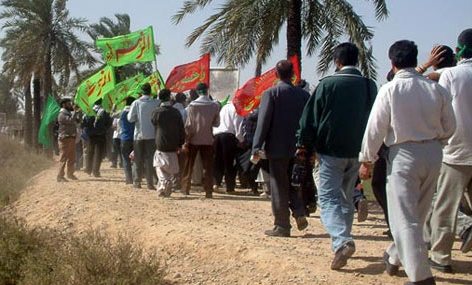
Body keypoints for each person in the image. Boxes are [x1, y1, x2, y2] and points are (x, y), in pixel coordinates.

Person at [359, 40, 456, 285]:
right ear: (415, 59)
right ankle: (394, 257)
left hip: (403, 155)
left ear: (392, 63)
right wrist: (436, 141)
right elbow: (450, 126)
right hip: (434, 153)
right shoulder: (436, 89)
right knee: (418, 214)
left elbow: (375, 129)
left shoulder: (390, 90)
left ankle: (421, 277)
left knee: (404, 218)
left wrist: (367, 160)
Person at [297, 42, 377, 270]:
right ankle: (343, 239)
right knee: (345, 196)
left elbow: (309, 119)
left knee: (328, 197)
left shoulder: (328, 84)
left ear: (337, 61)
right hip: (358, 151)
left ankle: (342, 240)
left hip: (330, 151)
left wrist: (304, 145)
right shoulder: (370, 86)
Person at [428, 29, 472, 273]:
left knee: (446, 206)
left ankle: (441, 256)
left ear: (459, 50)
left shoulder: (452, 76)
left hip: (456, 150)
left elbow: (440, 111)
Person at [252, 59, 309, 238]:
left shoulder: (271, 93)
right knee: (292, 181)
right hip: (298, 147)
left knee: (278, 184)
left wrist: (256, 145)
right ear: (293, 75)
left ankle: (282, 225)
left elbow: (263, 122)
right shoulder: (304, 96)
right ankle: (299, 211)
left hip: (277, 147)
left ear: (276, 75)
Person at [181, 82, 220, 198]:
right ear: (207, 91)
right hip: (208, 139)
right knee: (208, 167)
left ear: (197, 92)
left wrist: (186, 139)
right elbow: (217, 123)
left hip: (193, 139)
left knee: (189, 165)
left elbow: (189, 125)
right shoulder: (215, 106)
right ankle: (208, 191)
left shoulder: (192, 105)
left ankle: (185, 188)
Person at [150, 89, 185, 197]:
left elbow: (153, 122)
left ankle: (165, 181)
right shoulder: (176, 112)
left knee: (159, 165)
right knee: (170, 166)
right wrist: (180, 143)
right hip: (174, 143)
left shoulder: (157, 111)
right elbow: (181, 129)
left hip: (161, 141)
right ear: (170, 97)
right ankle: (162, 189)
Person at [127, 83, 160, 190]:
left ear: (141, 92)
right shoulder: (155, 102)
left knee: (137, 159)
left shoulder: (136, 103)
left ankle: (137, 182)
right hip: (151, 135)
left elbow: (130, 119)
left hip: (138, 135)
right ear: (150, 92)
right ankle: (150, 183)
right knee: (150, 160)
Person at [213, 102, 244, 193]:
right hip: (228, 136)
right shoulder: (238, 108)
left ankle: (216, 183)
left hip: (217, 135)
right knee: (229, 162)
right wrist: (241, 140)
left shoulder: (225, 107)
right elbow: (238, 125)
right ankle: (230, 187)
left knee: (218, 161)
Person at [82, 99, 112, 177]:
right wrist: (104, 129)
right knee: (98, 154)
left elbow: (84, 123)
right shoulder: (103, 112)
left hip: (91, 135)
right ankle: (96, 171)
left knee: (90, 152)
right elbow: (109, 123)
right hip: (100, 135)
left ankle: (88, 169)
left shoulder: (89, 111)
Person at [57, 97, 80, 182]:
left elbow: (77, 121)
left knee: (72, 157)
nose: (71, 105)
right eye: (69, 103)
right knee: (63, 158)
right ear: (64, 105)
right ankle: (60, 176)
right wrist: (74, 112)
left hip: (71, 137)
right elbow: (70, 121)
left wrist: (76, 113)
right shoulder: (61, 114)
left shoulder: (69, 113)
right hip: (64, 138)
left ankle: (70, 174)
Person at [120, 97, 135, 184]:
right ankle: (135, 177)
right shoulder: (134, 113)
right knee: (135, 159)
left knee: (125, 159)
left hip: (124, 138)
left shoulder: (122, 113)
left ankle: (128, 179)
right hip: (134, 138)